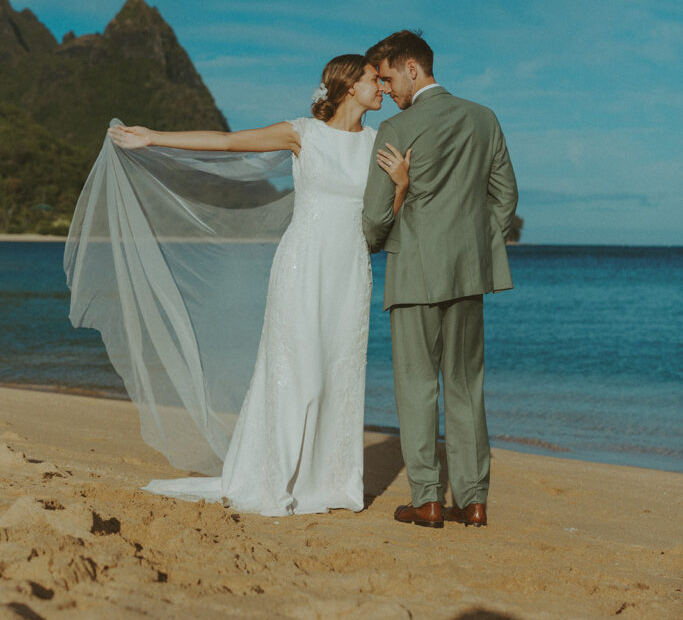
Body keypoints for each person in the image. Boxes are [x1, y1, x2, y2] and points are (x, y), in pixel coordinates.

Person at [103, 54, 411, 517]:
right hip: (302, 264)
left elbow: (387, 214)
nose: (382, 88)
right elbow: (228, 143)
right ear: (349, 86)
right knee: (297, 370)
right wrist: (154, 137)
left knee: (338, 375)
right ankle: (273, 477)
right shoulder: (301, 133)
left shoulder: (376, 143)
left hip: (350, 270)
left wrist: (402, 184)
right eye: (373, 80)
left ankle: (328, 483)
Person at [362, 31, 518, 530]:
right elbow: (506, 200)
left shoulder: (395, 128)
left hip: (412, 272)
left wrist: (394, 220)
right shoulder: (484, 118)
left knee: (416, 388)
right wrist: (472, 245)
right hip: (468, 274)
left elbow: (371, 220)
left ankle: (427, 498)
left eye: (387, 77)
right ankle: (474, 502)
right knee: (467, 388)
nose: (386, 89)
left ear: (412, 67)